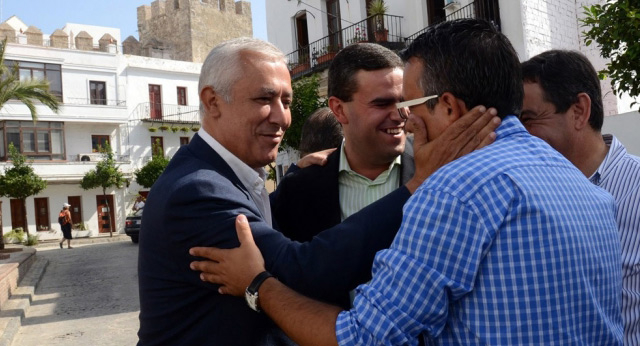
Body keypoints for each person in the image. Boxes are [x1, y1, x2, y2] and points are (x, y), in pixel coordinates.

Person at [190, 19, 623, 345]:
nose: (405, 117)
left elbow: (367, 337)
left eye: (410, 103)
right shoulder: (585, 187)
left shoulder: (454, 190)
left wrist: (258, 286)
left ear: (448, 106)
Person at [137, 37, 499, 345]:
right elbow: (303, 269)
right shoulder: (199, 189)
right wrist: (419, 185)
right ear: (213, 101)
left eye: (287, 101)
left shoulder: (234, 178)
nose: (281, 118)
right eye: (265, 99)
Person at [521, 49, 640, 345]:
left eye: (529, 119)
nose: (518, 135)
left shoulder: (636, 188)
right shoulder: (524, 193)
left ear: (579, 111)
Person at [273, 43, 414, 248]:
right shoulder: (300, 190)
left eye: (404, 102)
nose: (400, 114)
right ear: (338, 109)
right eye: (382, 104)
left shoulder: (438, 171)